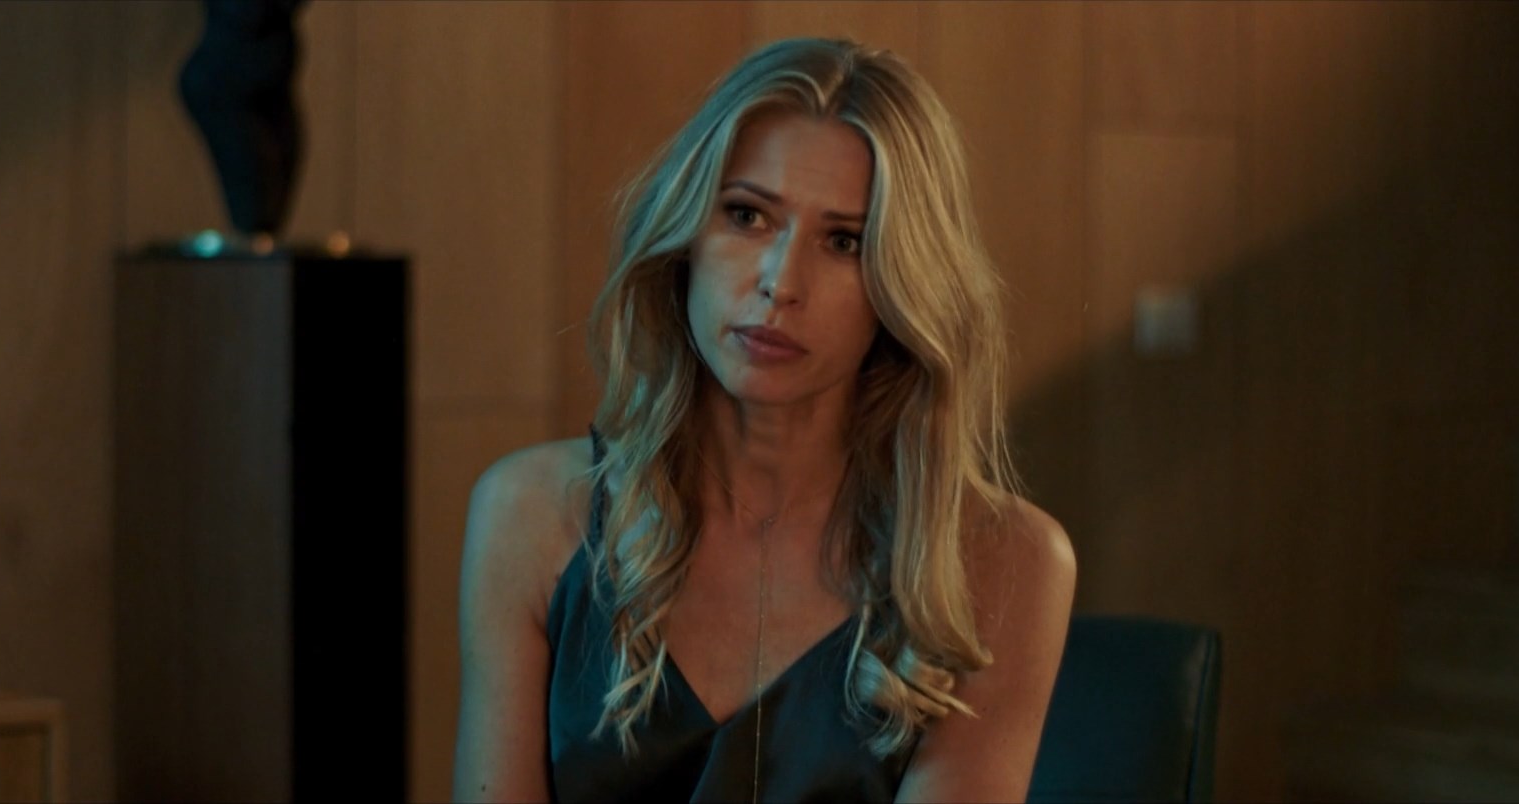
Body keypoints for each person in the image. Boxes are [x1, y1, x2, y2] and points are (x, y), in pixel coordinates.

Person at [454, 37, 1076, 803]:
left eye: (844, 241)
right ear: (686, 236)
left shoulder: (1003, 562)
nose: (781, 282)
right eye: (747, 215)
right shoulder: (531, 517)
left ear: (901, 283)